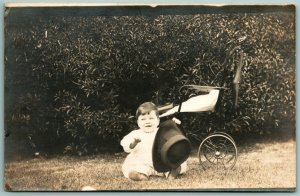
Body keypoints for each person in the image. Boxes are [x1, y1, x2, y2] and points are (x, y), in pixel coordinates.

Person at [120, 102, 187, 181]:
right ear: (138, 122)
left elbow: (175, 137)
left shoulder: (162, 131)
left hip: (161, 162)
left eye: (151, 118)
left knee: (177, 163)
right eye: (143, 119)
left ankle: (171, 174)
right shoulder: (135, 134)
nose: (147, 121)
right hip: (142, 162)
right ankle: (140, 176)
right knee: (135, 168)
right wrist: (133, 143)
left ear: (158, 121)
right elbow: (127, 147)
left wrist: (175, 126)